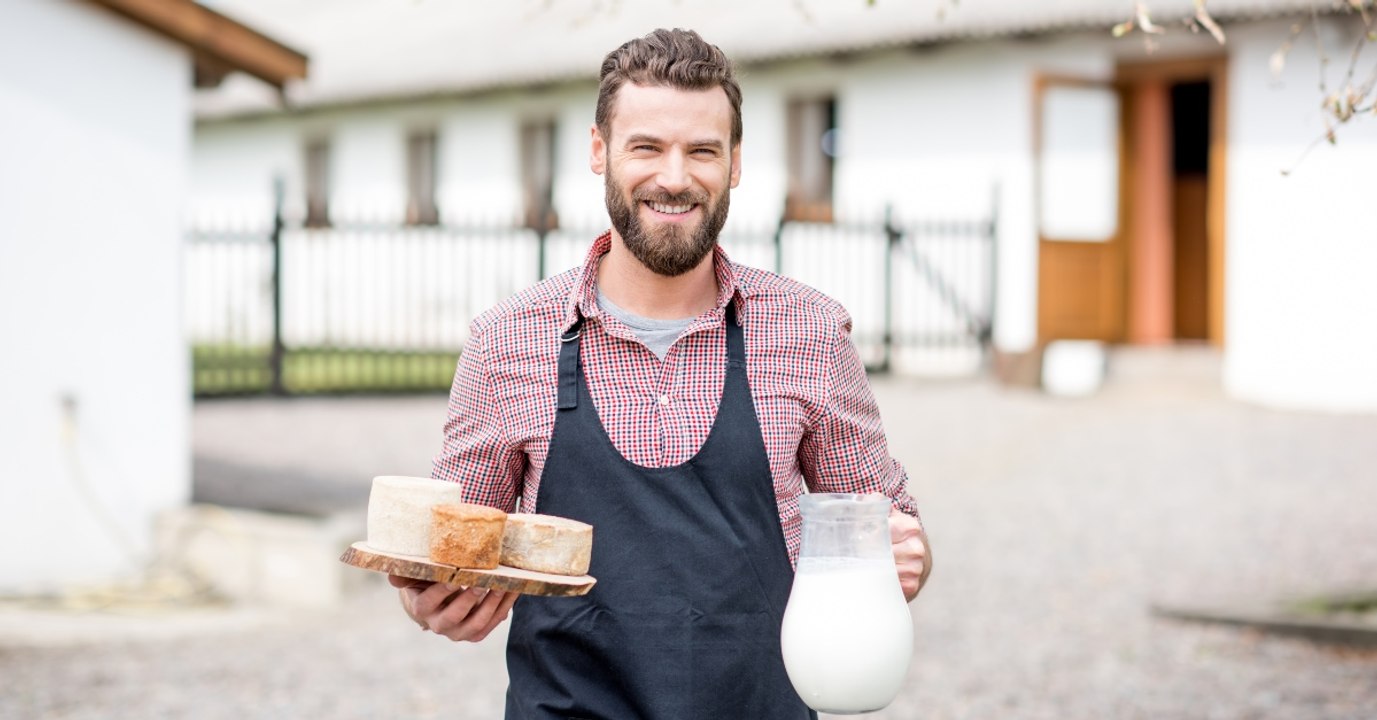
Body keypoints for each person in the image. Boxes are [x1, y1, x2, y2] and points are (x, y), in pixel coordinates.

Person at [389, 27, 931, 719]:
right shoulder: (508, 341)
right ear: (599, 151)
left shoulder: (810, 332)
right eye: (646, 147)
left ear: (735, 162)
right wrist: (431, 597)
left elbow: (886, 532)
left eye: (702, 150)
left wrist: (903, 557)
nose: (674, 178)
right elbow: (454, 549)